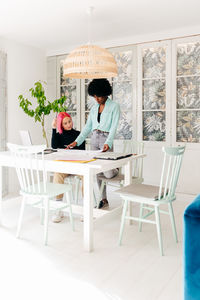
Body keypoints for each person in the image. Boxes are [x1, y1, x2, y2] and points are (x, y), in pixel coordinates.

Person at [66, 79, 120, 209]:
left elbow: (113, 127)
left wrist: (108, 142)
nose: (97, 99)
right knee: (96, 170)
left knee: (107, 173)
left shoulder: (114, 106)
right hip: (94, 139)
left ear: (106, 93)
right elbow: (87, 127)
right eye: (95, 96)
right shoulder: (94, 108)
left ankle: (116, 168)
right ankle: (104, 199)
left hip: (106, 139)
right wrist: (77, 141)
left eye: (99, 96)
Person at [51, 112, 85, 222]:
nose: (68, 124)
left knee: (86, 176)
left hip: (78, 166)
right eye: (65, 123)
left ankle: (85, 209)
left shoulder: (79, 134)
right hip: (65, 166)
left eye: (69, 121)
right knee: (57, 175)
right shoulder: (58, 135)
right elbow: (54, 146)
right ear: (61, 125)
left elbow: (83, 151)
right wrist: (53, 129)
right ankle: (58, 209)